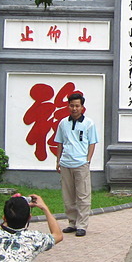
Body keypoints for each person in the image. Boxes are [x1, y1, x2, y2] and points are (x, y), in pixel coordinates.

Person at [0, 193, 63, 262]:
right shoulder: (33, 238)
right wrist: (44, 208)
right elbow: (58, 235)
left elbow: (6, 225)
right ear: (29, 218)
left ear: (4, 218)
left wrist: (12, 205)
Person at [54, 92, 98, 237]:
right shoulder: (63, 123)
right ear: (68, 106)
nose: (74, 109)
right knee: (68, 196)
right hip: (66, 163)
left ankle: (82, 225)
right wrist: (58, 161)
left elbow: (92, 143)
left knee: (83, 195)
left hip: (81, 163)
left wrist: (88, 160)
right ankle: (72, 223)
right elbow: (59, 143)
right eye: (72, 105)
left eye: (77, 106)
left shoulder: (89, 123)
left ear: (82, 107)